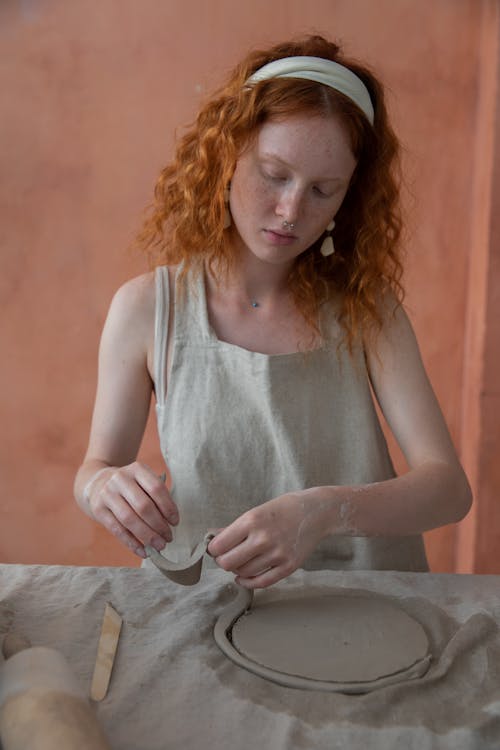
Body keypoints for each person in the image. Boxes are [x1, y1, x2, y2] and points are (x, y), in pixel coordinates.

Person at [74, 35, 472, 589]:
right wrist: (102, 490)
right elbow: (97, 467)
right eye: (274, 173)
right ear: (225, 156)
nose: (290, 211)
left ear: (348, 198)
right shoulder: (147, 309)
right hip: (205, 608)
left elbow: (449, 489)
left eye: (323, 190)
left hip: (365, 609)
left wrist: (322, 512)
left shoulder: (368, 310)